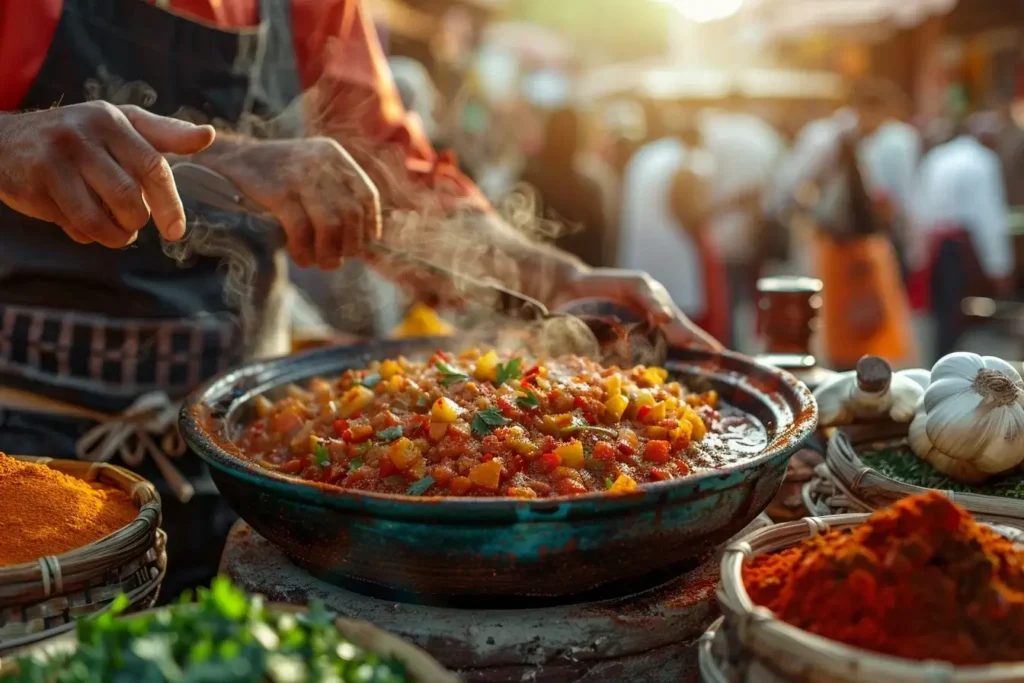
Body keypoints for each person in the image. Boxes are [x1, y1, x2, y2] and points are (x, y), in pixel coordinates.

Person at [0, 0, 717, 598]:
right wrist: (12, 140)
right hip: (26, 466)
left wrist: (557, 277)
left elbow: (397, 177)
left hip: (249, 468)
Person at [766, 81, 916, 370]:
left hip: (854, 243)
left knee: (860, 320)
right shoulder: (827, 140)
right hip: (831, 242)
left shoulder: (858, 142)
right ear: (866, 111)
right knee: (833, 321)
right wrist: (815, 215)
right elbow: (789, 188)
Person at [617, 111, 730, 344]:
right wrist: (730, 205)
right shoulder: (681, 160)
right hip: (675, 266)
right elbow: (689, 213)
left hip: (641, 261)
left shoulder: (645, 156)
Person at [910, 120, 1015, 361]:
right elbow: (987, 216)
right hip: (963, 252)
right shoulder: (982, 162)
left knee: (942, 320)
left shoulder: (938, 157)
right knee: (962, 319)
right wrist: (999, 267)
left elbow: (919, 208)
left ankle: (940, 369)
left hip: (937, 248)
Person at [520, 107, 611, 268]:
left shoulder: (528, 179)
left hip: (534, 280)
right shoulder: (588, 189)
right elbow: (598, 250)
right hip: (578, 284)